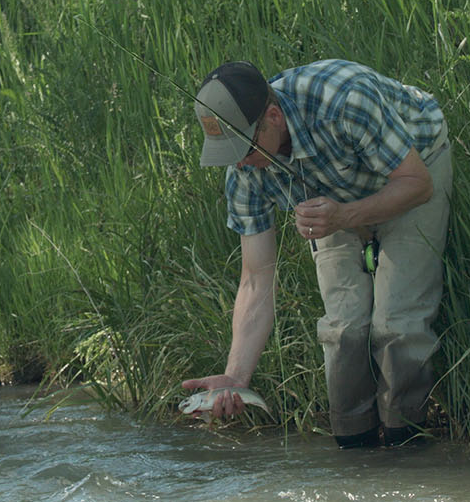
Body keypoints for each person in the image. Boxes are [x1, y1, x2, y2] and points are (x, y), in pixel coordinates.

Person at [183, 59, 452, 448]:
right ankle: (354, 452)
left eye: (244, 148)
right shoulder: (243, 171)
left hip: (412, 170)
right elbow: (257, 279)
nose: (240, 163)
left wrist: (346, 215)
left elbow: (417, 185)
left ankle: (407, 447)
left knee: (397, 324)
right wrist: (236, 378)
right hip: (332, 200)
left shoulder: (345, 101)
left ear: (273, 117)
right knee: (342, 333)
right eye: (229, 152)